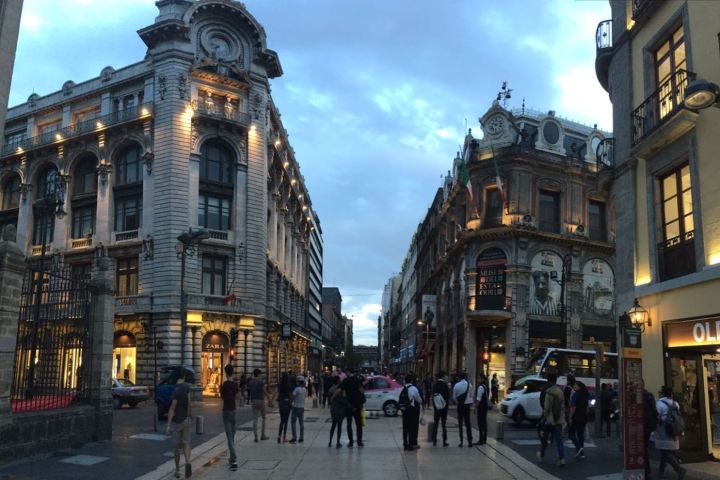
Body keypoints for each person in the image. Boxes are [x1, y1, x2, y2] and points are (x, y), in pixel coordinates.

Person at [166, 369, 193, 479]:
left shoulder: (176, 390)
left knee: (176, 446)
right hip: (187, 419)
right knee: (186, 443)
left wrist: (168, 425)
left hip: (178, 421)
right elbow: (190, 403)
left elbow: (173, 407)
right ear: (184, 377)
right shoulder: (187, 387)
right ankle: (187, 461)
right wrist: (189, 416)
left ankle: (177, 470)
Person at [655, 386, 686, 480]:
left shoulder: (659, 404)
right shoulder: (675, 403)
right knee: (667, 451)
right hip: (674, 429)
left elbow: (657, 416)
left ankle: (679, 469)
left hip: (664, 429)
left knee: (664, 451)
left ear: (662, 393)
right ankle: (661, 472)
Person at [536, 372, 566, 467]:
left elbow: (546, 407)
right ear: (555, 380)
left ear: (548, 379)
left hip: (549, 420)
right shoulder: (560, 391)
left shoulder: (548, 391)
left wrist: (544, 417)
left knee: (545, 438)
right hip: (558, 418)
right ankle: (562, 459)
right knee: (559, 440)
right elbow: (563, 406)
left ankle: (541, 455)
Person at [220, 364, 239, 471]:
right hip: (233, 411)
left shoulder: (225, 385)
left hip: (226, 411)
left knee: (230, 437)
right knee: (232, 435)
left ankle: (234, 460)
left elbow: (222, 397)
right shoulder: (235, 384)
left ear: (226, 373)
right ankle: (232, 458)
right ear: (233, 372)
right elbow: (237, 397)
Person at [340, 369, 365, 447]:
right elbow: (362, 391)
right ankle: (359, 442)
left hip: (349, 405)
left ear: (348, 372)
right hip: (358, 405)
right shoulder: (358, 380)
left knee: (349, 424)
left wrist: (347, 402)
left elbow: (342, 392)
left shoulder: (345, 380)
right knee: (359, 425)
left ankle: (351, 442)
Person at [248, 368, 270, 442]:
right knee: (263, 418)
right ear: (259, 374)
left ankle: (255, 436)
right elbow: (264, 391)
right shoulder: (261, 382)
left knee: (255, 419)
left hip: (253, 401)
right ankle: (262, 435)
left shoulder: (251, 382)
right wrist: (270, 399)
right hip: (261, 400)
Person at [568, 380, 589, 460]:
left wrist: (570, 417)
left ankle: (578, 447)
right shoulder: (585, 395)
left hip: (576, 417)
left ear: (579, 386)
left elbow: (573, 407)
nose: (574, 386)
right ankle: (582, 453)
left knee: (571, 433)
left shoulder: (575, 395)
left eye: (575, 385)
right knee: (580, 435)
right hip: (583, 417)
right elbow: (587, 408)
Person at [402, 374, 423, 451]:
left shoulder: (403, 388)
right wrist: (421, 402)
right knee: (411, 427)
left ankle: (405, 444)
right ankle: (411, 445)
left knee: (405, 427)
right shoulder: (413, 388)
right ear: (411, 380)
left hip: (404, 410)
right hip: (412, 410)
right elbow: (419, 399)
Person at [642, 382, 658, 480]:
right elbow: (655, 412)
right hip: (649, 426)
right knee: (645, 448)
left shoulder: (638, 396)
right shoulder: (649, 396)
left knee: (642, 449)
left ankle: (646, 471)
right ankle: (647, 472)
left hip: (641, 425)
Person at [452, 372, 473, 447]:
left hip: (460, 406)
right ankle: (470, 441)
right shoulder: (469, 385)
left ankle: (461, 441)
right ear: (465, 377)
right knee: (468, 423)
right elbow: (471, 396)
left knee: (460, 423)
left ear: (459, 377)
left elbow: (454, 398)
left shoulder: (456, 385)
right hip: (467, 406)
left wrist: (458, 402)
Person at [431, 371, 450, 447]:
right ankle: (444, 441)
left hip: (437, 407)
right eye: (445, 376)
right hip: (444, 408)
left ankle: (434, 440)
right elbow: (447, 396)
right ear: (443, 377)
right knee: (443, 424)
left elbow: (433, 396)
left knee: (436, 423)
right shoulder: (445, 385)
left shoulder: (435, 385)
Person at [328, 376, 347, 448]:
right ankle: (338, 442)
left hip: (333, 409)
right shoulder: (341, 389)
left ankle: (330, 441)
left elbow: (329, 399)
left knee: (333, 425)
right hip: (340, 409)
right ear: (338, 381)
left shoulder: (331, 389)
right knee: (339, 426)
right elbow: (344, 398)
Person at [289, 375, 307, 443]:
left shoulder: (297, 389)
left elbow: (293, 397)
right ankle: (301, 437)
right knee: (301, 423)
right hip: (302, 407)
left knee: (293, 422)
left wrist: (290, 401)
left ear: (298, 382)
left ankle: (294, 437)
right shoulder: (304, 389)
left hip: (296, 407)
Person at [277, 372, 292, 443]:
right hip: (287, 403)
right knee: (286, 421)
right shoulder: (288, 385)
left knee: (281, 421)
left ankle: (279, 436)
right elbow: (289, 395)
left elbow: (278, 393)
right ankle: (284, 438)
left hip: (281, 403)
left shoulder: (279, 384)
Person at [476, 374, 489, 445]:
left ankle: (481, 439)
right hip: (485, 407)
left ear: (482, 379)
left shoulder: (480, 387)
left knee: (480, 423)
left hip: (481, 407)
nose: (478, 380)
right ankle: (484, 439)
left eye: (479, 378)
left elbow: (478, 399)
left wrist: (475, 407)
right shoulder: (485, 386)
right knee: (484, 423)